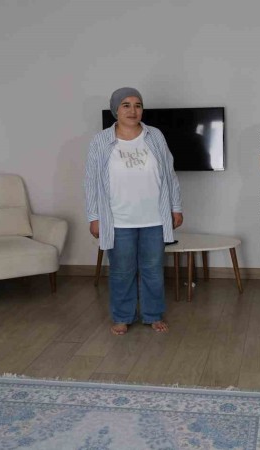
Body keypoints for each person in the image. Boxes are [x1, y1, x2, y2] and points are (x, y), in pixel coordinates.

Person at [84, 87, 183, 336]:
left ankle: (153, 315)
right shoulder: (100, 141)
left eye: (137, 105)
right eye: (126, 105)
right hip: (118, 220)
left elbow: (169, 174)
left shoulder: (155, 136)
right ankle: (122, 316)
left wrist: (175, 207)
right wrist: (94, 216)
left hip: (154, 218)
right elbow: (91, 181)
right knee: (121, 272)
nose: (133, 110)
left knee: (153, 270)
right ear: (115, 110)